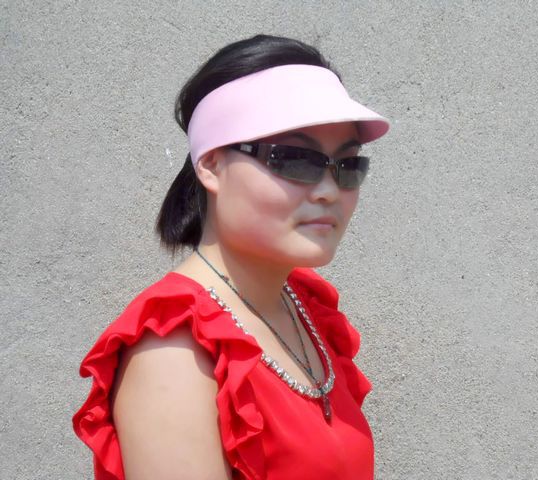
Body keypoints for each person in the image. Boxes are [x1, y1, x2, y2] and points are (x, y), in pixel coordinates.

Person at [72, 34, 389, 480]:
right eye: (294, 159)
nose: (328, 191)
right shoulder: (175, 353)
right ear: (211, 165)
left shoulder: (302, 306)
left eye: (348, 165)